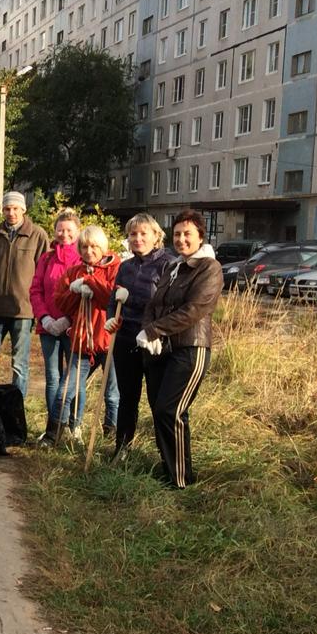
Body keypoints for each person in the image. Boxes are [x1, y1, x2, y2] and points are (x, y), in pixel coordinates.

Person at [140, 209, 223, 488]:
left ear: (200, 236)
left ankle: (180, 482)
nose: (181, 239)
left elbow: (195, 309)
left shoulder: (209, 268)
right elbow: (153, 304)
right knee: (159, 409)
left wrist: (153, 330)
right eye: (177, 234)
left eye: (188, 233)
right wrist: (148, 331)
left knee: (170, 410)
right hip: (162, 350)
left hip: (190, 348)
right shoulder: (173, 267)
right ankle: (170, 471)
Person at [104, 213, 173, 461]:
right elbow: (114, 300)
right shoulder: (125, 267)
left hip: (153, 342)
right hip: (126, 339)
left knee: (157, 400)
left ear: (156, 236)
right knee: (127, 397)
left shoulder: (168, 265)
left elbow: (167, 304)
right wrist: (111, 317)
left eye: (144, 233)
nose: (138, 238)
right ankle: (122, 449)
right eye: (133, 234)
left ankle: (163, 455)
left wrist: (133, 301)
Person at [48, 224, 120, 442]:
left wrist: (90, 282)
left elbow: (111, 296)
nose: (89, 251)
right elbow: (61, 302)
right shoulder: (74, 271)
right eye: (85, 247)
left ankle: (112, 437)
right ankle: (56, 435)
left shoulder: (114, 267)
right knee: (65, 390)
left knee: (112, 394)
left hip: (107, 339)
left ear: (103, 247)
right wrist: (75, 290)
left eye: (94, 247)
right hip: (81, 339)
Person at [0, 190, 49, 398]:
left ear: (24, 209)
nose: (11, 213)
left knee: (19, 364)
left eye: (15, 208)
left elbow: (43, 274)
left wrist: (39, 310)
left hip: (23, 310)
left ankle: (16, 409)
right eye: (7, 209)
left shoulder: (37, 235)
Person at [29, 209, 81, 436]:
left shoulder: (83, 257)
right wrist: (45, 317)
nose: (64, 234)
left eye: (69, 229)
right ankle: (54, 428)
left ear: (78, 231)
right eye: (60, 229)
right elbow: (35, 290)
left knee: (74, 378)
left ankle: (74, 424)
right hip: (48, 327)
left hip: (73, 328)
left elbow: (84, 295)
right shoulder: (46, 258)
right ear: (55, 230)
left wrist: (67, 319)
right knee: (52, 377)